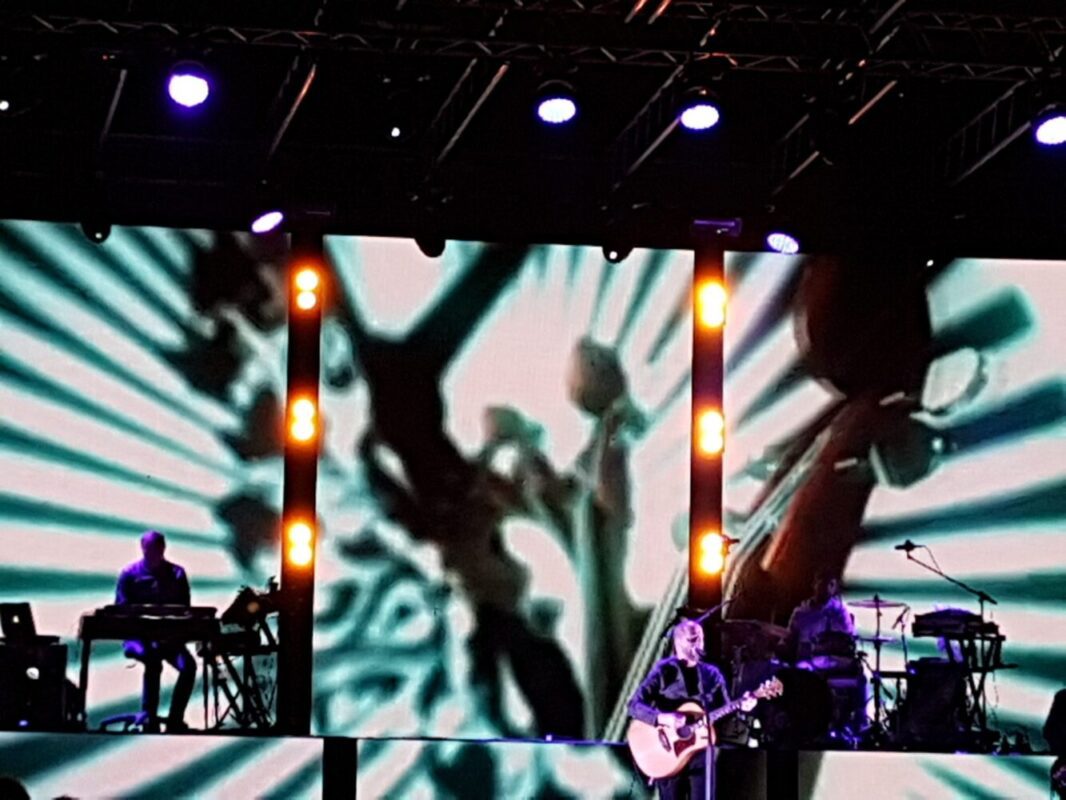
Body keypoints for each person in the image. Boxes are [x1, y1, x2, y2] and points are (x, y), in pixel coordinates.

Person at [628, 618, 754, 799]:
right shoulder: (665, 671)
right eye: (692, 640)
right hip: (668, 752)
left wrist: (743, 706)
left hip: (701, 751)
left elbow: (726, 711)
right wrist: (664, 718)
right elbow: (634, 705)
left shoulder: (712, 674)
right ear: (678, 642)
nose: (699, 644)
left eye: (701, 638)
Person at [115, 531, 196, 733]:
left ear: (163, 549)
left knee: (188, 667)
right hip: (137, 638)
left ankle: (175, 719)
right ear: (143, 549)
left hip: (168, 638)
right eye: (149, 549)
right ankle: (148, 717)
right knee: (153, 660)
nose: (153, 554)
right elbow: (121, 611)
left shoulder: (177, 574)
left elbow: (185, 609)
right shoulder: (129, 574)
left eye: (157, 549)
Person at [786, 572, 855, 668]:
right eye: (823, 583)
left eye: (832, 584)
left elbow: (848, 639)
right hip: (806, 664)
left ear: (835, 588)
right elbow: (789, 639)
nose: (827, 587)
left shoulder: (840, 611)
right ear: (814, 585)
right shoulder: (800, 612)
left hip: (832, 663)